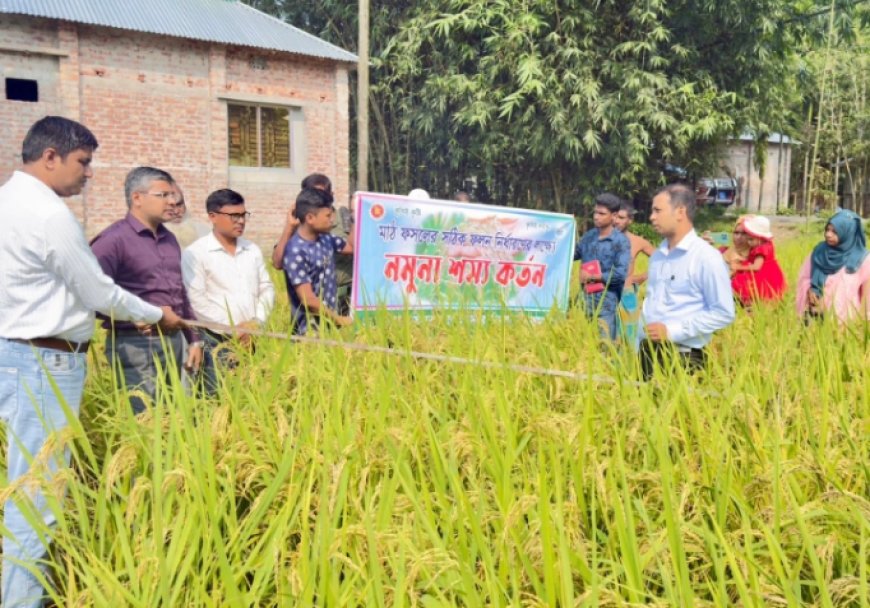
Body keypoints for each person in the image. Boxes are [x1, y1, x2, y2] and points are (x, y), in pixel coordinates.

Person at [0, 116, 184, 608]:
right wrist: (156, 314)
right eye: (83, 163)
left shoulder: (6, 202)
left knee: (21, 482)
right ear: (51, 157)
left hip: (15, 354)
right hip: (46, 362)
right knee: (39, 495)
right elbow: (97, 289)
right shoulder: (50, 215)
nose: (89, 174)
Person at [90, 166, 203, 414]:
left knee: (172, 418)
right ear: (137, 198)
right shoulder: (112, 241)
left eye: (172, 195)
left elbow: (180, 294)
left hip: (173, 341)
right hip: (135, 346)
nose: (172, 201)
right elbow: (91, 296)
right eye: (163, 195)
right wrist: (136, 316)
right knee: (144, 420)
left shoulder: (169, 239)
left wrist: (194, 340)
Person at [182, 189, 275, 393]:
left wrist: (256, 322)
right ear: (213, 217)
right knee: (217, 398)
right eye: (234, 216)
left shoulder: (252, 250)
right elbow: (196, 301)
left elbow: (266, 288)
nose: (240, 221)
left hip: (252, 337)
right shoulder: (196, 253)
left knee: (252, 395)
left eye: (243, 215)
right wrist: (234, 328)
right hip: (217, 341)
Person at [639, 183, 735, 380]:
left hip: (683, 357)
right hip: (648, 351)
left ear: (680, 212)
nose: (652, 217)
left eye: (657, 210)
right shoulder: (658, 256)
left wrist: (672, 331)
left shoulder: (706, 257)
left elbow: (723, 312)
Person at [282, 188, 354, 334]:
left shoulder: (326, 239)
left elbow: (352, 248)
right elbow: (308, 300)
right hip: (308, 332)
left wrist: (354, 219)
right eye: (328, 216)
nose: (332, 219)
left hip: (329, 325)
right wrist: (338, 319)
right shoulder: (295, 250)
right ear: (310, 218)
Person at [573, 193, 631, 340]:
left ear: (614, 216)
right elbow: (572, 254)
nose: (596, 217)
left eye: (601, 213)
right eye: (595, 212)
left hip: (605, 304)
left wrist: (593, 276)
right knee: (580, 343)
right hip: (584, 300)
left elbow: (620, 274)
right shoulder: (589, 236)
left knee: (604, 348)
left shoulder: (620, 242)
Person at [796, 209, 870, 323]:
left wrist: (861, 323)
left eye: (835, 232)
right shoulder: (819, 252)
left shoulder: (863, 259)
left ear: (848, 232)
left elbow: (867, 296)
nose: (828, 234)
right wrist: (809, 289)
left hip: (845, 322)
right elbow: (804, 277)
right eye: (827, 230)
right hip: (814, 316)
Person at [271, 173, 332, 270]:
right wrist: (289, 227)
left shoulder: (342, 219)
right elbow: (278, 263)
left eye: (319, 194)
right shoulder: (300, 223)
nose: (315, 200)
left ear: (330, 195)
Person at [730, 215, 786, 307]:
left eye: (751, 239)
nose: (749, 242)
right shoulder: (768, 244)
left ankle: (748, 305)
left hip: (763, 274)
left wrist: (739, 267)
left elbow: (756, 267)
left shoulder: (761, 250)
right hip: (770, 271)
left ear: (760, 238)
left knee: (744, 285)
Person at [613, 201, 656, 289]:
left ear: (630, 220)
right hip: (600, 295)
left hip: (626, 293)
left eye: (621, 218)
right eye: (614, 216)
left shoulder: (637, 242)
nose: (616, 221)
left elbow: (665, 260)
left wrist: (643, 277)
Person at [164, 182, 210, 249]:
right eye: (171, 206)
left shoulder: (204, 232)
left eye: (179, 205)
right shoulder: (154, 234)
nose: (176, 211)